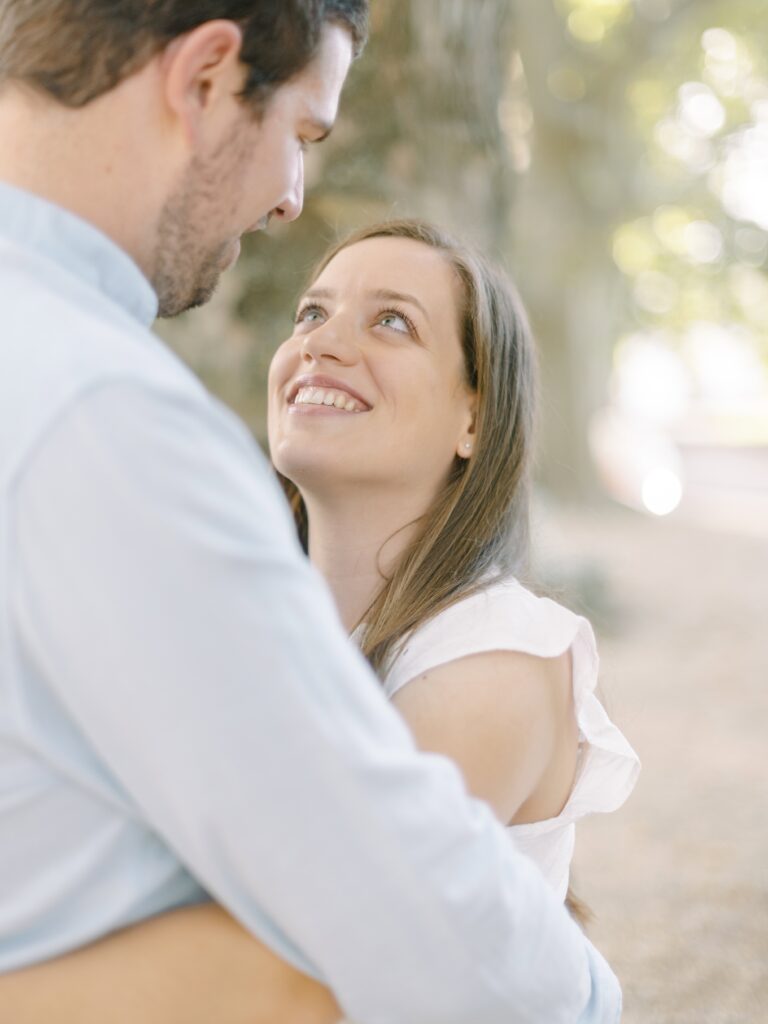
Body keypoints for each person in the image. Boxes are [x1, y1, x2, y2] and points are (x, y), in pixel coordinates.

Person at [0, 3, 624, 1022]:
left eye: (392, 322)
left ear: (481, 409)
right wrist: (595, 999)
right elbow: (387, 913)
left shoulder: (499, 651)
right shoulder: (106, 416)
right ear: (205, 78)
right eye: (300, 134)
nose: (291, 200)